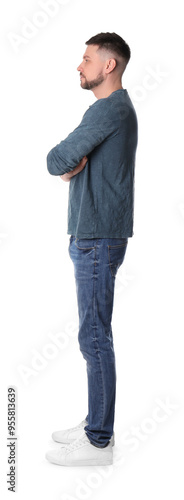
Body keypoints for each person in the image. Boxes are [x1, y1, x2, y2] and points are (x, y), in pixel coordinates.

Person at [45, 32, 138, 467]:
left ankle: (99, 441)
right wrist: (68, 166)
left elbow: (58, 157)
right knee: (93, 334)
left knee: (94, 336)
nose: (78, 66)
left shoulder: (109, 110)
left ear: (109, 66)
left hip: (98, 238)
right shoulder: (108, 111)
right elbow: (64, 162)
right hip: (93, 236)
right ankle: (94, 423)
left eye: (86, 59)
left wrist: (68, 167)